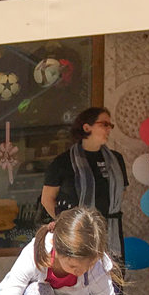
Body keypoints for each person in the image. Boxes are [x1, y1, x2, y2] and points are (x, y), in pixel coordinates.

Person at [41, 107, 127, 265]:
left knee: (113, 283)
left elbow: (122, 193)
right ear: (87, 127)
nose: (109, 129)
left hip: (111, 232)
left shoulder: (116, 160)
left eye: (110, 125)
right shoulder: (63, 162)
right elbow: (47, 199)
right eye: (104, 124)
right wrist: (68, 226)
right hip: (77, 235)